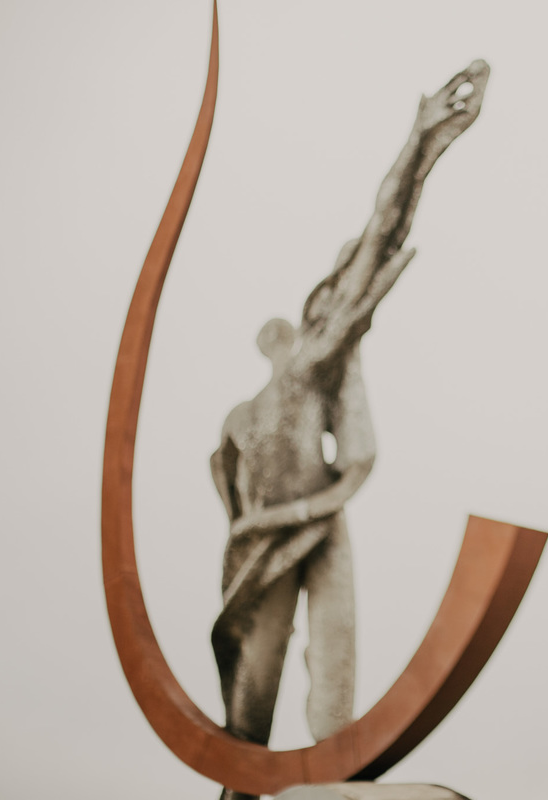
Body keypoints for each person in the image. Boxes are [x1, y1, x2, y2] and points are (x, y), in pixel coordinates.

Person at [208, 60, 489, 800]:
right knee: (252, 689)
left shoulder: (317, 358)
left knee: (333, 675)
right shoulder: (245, 415)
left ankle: (330, 777)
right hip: (266, 541)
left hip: (318, 522)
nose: (339, 307)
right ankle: (244, 783)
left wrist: (421, 144)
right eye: (327, 303)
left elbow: (378, 237)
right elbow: (235, 501)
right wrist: (266, 523)